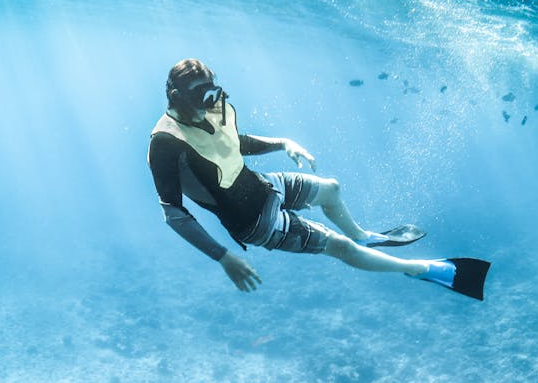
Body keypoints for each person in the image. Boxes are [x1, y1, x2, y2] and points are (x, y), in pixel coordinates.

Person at [147, 59, 488, 299]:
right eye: (199, 96)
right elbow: (173, 214)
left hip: (264, 185)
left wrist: (283, 142)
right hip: (253, 222)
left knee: (331, 189)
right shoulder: (164, 143)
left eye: (212, 92)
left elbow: (232, 142)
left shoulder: (210, 108)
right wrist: (223, 257)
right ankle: (418, 268)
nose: (210, 103)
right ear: (176, 97)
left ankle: (364, 237)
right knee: (340, 248)